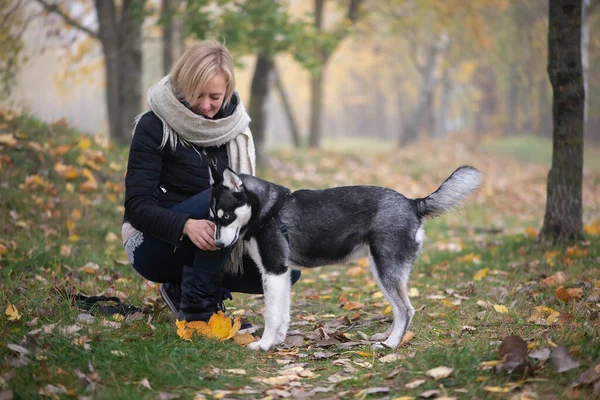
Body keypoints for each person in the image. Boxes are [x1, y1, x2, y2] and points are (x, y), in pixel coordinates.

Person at [121, 41, 300, 325]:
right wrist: (185, 226)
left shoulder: (235, 127)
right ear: (182, 87)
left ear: (227, 91)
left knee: (282, 258)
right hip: (152, 244)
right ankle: (198, 312)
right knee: (227, 197)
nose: (205, 106)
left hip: (213, 235)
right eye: (196, 95)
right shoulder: (154, 125)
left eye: (214, 97)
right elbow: (137, 207)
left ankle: (185, 288)